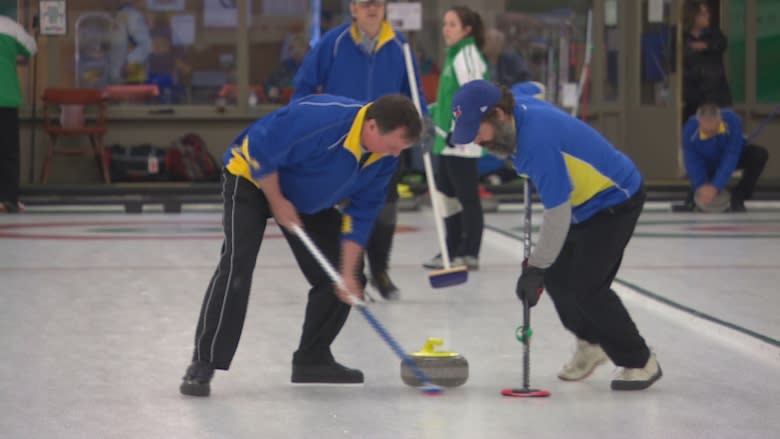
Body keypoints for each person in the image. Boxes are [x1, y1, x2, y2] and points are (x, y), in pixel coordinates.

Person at [179, 93, 422, 396]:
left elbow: (360, 215)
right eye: (393, 145)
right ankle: (203, 362)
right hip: (252, 179)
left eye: (402, 149)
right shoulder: (323, 120)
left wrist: (346, 275)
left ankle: (312, 358)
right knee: (237, 264)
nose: (396, 154)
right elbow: (259, 148)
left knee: (345, 271)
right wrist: (277, 200)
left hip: (307, 196)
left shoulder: (383, 161)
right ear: (372, 127)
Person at [450, 80, 662, 391]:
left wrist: (535, 267)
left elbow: (557, 211)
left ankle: (640, 360)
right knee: (559, 278)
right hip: (583, 203)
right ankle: (591, 344)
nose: (476, 141)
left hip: (615, 199)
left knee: (588, 287)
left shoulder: (537, 143)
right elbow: (532, 88)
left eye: (477, 130)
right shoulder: (513, 107)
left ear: (499, 114)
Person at [293, 0, 429, 300]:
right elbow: (304, 86)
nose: (372, 8)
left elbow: (415, 95)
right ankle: (354, 272)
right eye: (365, 3)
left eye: (378, 3)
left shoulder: (400, 47)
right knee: (347, 209)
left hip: (386, 144)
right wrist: (305, 123)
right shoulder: (333, 43)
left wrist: (422, 124)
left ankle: (381, 270)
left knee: (385, 209)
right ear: (353, 9)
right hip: (344, 142)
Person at [423, 6, 489, 272]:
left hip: (461, 142)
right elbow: (453, 97)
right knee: (446, 196)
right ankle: (451, 248)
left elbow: (476, 95)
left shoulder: (468, 56)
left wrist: (462, 128)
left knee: (466, 197)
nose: (445, 29)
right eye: (445, 24)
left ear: (467, 30)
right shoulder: (453, 57)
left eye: (452, 24)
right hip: (445, 140)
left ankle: (470, 251)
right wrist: (433, 110)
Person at [678, 104, 769, 212]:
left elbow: (731, 156)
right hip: (707, 163)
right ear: (699, 122)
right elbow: (692, 161)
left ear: (720, 120)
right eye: (707, 132)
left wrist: (715, 186)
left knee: (758, 155)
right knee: (696, 195)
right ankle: (693, 198)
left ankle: (738, 196)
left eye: (714, 130)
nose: (710, 135)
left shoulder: (733, 121)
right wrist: (700, 184)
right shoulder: (689, 129)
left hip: (730, 158)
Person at [0, 15, 36, 213]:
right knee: (8, 152)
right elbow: (31, 48)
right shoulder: (10, 26)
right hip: (5, 97)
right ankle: (9, 198)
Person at [682, 0, 731, 123]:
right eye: (703, 14)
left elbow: (722, 44)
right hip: (693, 98)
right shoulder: (682, 37)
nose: (707, 16)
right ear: (693, 16)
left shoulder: (713, 32)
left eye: (707, 12)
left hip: (716, 95)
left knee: (718, 132)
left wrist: (706, 45)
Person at [109, 0, 151, 84]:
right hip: (111, 78)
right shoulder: (106, 16)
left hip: (129, 78)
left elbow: (145, 44)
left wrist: (130, 62)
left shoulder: (131, 16)